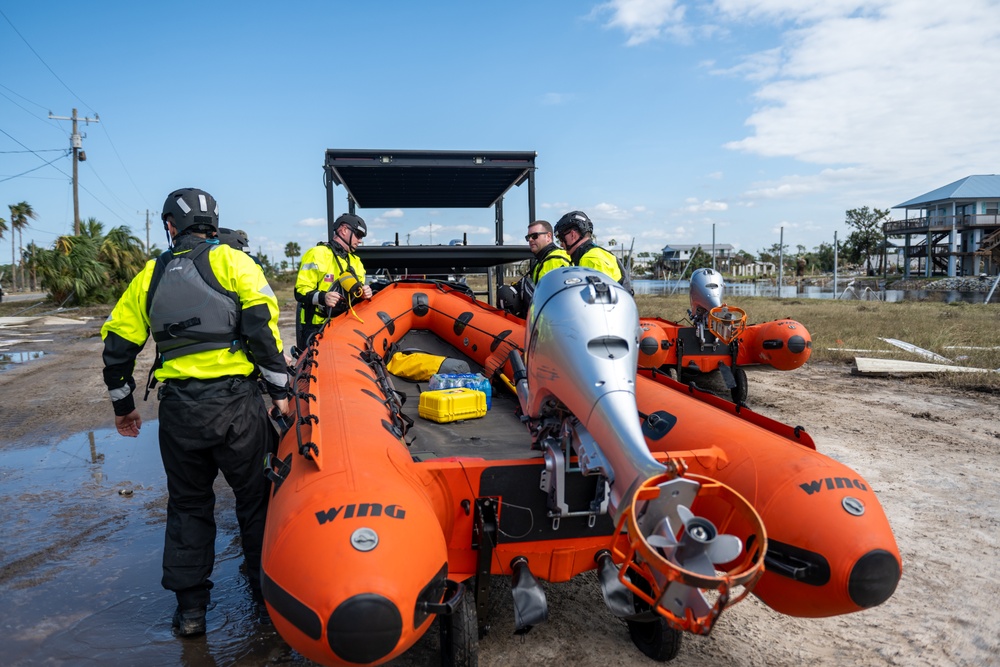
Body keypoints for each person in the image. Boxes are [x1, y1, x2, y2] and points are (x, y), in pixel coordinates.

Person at [100, 188, 293, 637]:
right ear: (213, 223)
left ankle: (190, 613)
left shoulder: (150, 274)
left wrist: (123, 406)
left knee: (188, 505)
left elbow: (117, 345)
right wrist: (280, 391)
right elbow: (263, 332)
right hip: (238, 409)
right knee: (256, 501)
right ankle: (268, 599)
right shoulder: (237, 263)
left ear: (171, 225)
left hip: (181, 412)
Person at [294, 213, 373, 350]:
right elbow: (300, 292)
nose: (360, 240)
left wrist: (365, 294)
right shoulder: (317, 254)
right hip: (316, 328)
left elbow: (357, 298)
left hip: (346, 326)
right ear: (344, 230)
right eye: (358, 235)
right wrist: (323, 297)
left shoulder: (356, 262)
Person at [497, 220, 571, 317]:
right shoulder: (542, 260)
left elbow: (552, 302)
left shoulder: (555, 260)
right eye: (528, 237)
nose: (531, 240)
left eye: (535, 236)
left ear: (548, 236)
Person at [554, 210, 632, 293]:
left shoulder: (591, 259)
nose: (561, 245)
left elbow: (598, 299)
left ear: (573, 235)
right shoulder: (597, 253)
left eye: (561, 239)